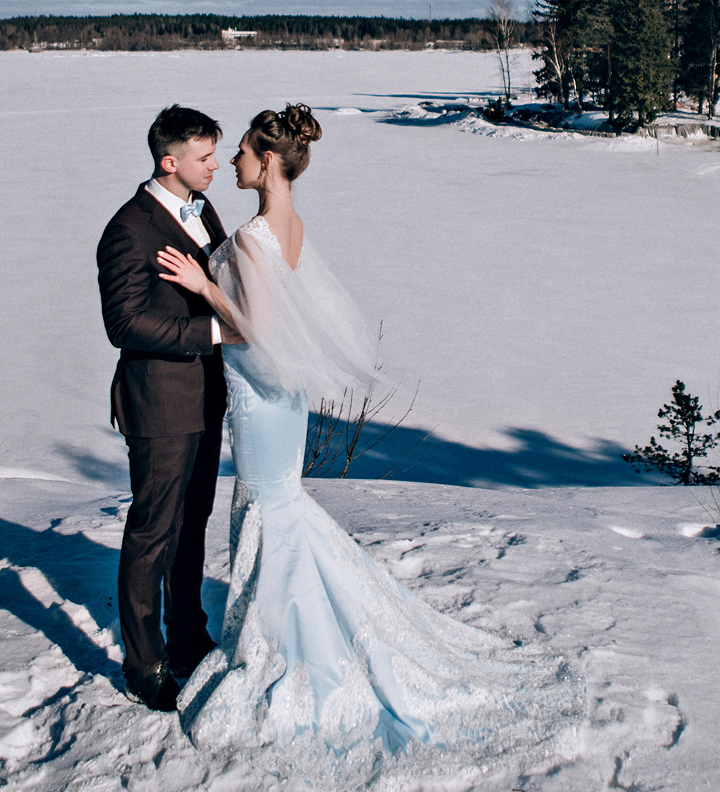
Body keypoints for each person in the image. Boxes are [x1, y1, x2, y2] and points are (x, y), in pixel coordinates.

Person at [156, 104, 583, 783]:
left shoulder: (249, 238)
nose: (232, 162)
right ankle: (299, 630)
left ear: (267, 162)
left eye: (241, 151)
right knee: (282, 510)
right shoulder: (289, 226)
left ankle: (289, 652)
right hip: (281, 399)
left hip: (263, 397)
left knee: (270, 510)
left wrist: (204, 285)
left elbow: (259, 332)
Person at [96, 104, 239, 713]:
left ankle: (187, 634)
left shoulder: (202, 209)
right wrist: (213, 334)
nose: (216, 167)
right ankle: (145, 662)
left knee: (194, 521)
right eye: (205, 157)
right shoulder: (128, 229)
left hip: (207, 397)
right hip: (158, 404)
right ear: (169, 161)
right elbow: (123, 323)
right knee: (152, 530)